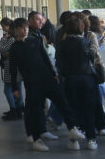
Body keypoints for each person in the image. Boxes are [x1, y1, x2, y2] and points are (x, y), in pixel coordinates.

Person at [9, 17, 83, 151]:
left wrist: (54, 74)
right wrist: (14, 88)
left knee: (62, 101)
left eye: (26, 27)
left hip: (47, 78)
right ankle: (36, 139)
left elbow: (45, 59)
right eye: (22, 27)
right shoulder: (15, 48)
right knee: (36, 110)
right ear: (16, 30)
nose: (25, 29)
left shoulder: (36, 41)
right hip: (32, 83)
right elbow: (12, 69)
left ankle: (72, 127)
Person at [55, 14, 101, 150]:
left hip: (70, 79)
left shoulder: (63, 44)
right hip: (87, 78)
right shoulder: (86, 42)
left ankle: (74, 141)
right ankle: (91, 140)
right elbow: (92, 57)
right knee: (89, 109)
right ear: (81, 28)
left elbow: (59, 62)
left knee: (73, 109)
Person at [0, 18, 22, 120]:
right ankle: (19, 108)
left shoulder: (10, 38)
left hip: (10, 65)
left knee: (7, 89)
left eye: (3, 26)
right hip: (16, 65)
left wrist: (3, 40)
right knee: (18, 87)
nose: (3, 28)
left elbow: (1, 49)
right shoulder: (15, 38)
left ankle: (13, 109)